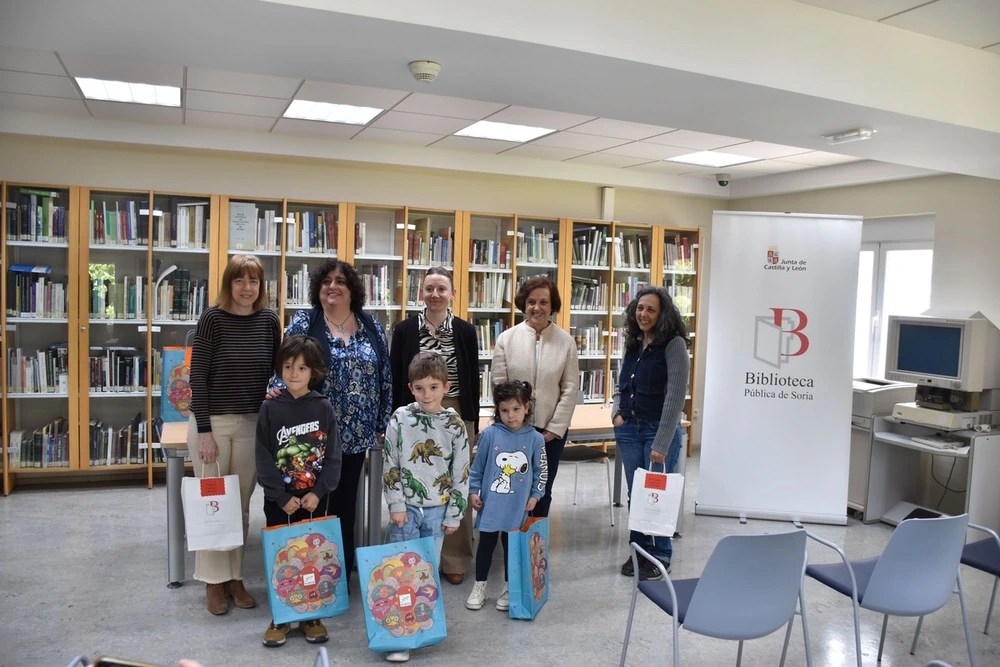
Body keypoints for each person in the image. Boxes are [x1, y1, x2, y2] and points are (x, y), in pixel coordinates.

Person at [276, 259, 392, 582]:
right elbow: (285, 365)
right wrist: (276, 402)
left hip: (356, 435)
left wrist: (382, 421)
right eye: (326, 281)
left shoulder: (371, 326)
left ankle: (337, 576)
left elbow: (385, 376)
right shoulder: (306, 321)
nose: (332, 286)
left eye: (340, 281)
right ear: (318, 288)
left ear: (352, 289)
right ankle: (305, 574)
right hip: (311, 435)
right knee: (310, 504)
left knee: (344, 506)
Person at [187, 254, 281, 616]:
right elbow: (198, 376)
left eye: (254, 281)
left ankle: (235, 578)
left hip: (251, 424)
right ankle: (213, 582)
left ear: (261, 286)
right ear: (229, 284)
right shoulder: (212, 319)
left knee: (240, 505)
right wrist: (206, 431)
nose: (247, 288)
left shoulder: (269, 320)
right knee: (214, 503)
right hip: (212, 424)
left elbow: (277, 369)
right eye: (240, 281)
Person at [389, 267, 479, 585]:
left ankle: (454, 557)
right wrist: (396, 413)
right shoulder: (403, 330)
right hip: (414, 412)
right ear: (421, 293)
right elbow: (395, 373)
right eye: (429, 288)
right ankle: (415, 557)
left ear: (452, 293)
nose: (435, 294)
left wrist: (473, 421)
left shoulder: (466, 331)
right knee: (418, 478)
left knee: (454, 481)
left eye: (442, 288)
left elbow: (473, 378)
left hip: (454, 411)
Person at [380, 352, 471, 663]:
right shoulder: (399, 418)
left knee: (426, 570)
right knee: (400, 570)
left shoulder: (454, 424)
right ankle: (398, 636)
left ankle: (420, 625)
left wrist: (455, 514)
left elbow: (461, 471)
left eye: (433, 387)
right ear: (410, 388)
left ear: (445, 387)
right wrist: (396, 504)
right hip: (405, 508)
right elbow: (390, 462)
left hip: (438, 510)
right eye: (420, 388)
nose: (426, 394)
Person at [256, 335, 343, 648]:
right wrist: (280, 495)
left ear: (313, 371)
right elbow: (264, 455)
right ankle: (280, 616)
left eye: (302, 368)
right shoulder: (269, 408)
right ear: (280, 368)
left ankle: (311, 615)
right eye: (289, 366)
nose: (294, 373)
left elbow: (333, 455)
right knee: (281, 556)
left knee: (312, 557)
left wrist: (319, 491)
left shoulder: (323, 406)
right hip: (279, 500)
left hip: (313, 500)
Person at [612, 286, 689, 581]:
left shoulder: (674, 344)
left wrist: (662, 441)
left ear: (663, 314)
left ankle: (661, 555)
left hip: (658, 431)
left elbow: (675, 395)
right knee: (638, 494)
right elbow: (621, 384)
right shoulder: (633, 343)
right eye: (640, 308)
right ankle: (639, 550)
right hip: (630, 428)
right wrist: (616, 414)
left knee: (656, 494)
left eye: (651, 310)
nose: (643, 314)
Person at [492, 275, 579, 517]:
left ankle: (534, 548)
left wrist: (555, 427)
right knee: (510, 487)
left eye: (543, 302)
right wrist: (511, 421)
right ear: (523, 304)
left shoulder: (566, 342)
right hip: (513, 429)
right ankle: (511, 543)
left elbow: (570, 388)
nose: (537, 308)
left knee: (541, 491)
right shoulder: (506, 339)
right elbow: (498, 384)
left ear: (552, 306)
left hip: (549, 434)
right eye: (531, 302)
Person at [465, 380, 545, 611]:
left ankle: (510, 587)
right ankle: (480, 585)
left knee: (512, 547)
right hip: (491, 506)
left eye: (516, 409)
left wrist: (536, 495)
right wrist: (472, 492)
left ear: (527, 407)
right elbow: (477, 468)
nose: (510, 416)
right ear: (497, 410)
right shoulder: (489, 435)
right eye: (504, 410)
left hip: (517, 506)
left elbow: (541, 471)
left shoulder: (535, 439)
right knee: (486, 546)